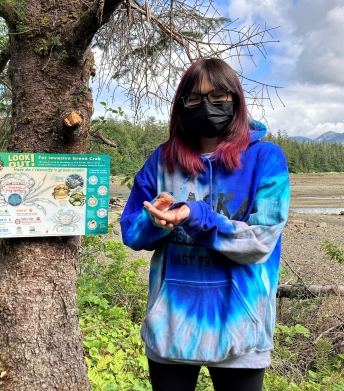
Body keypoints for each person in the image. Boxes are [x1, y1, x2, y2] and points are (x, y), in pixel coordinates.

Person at [120, 58, 290, 391]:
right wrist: (156, 221)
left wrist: (196, 215)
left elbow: (259, 242)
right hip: (170, 329)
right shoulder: (163, 159)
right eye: (194, 99)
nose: (206, 106)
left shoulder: (266, 159)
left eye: (218, 97)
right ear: (181, 106)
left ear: (235, 100)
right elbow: (131, 230)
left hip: (241, 332)